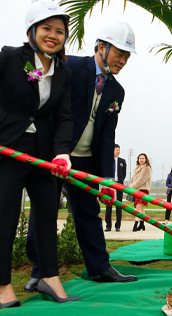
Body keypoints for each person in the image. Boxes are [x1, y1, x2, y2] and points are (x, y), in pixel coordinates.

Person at [0, 0, 81, 306]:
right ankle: (2, 284)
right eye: (46, 29)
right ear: (32, 30)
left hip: (43, 154)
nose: (53, 35)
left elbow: (65, 117)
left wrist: (63, 152)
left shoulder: (64, 73)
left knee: (47, 217)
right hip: (7, 148)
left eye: (60, 31)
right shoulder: (10, 57)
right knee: (6, 217)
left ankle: (50, 279)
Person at [24, 20, 138, 291]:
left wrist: (107, 179)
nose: (123, 60)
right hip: (54, 155)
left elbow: (107, 136)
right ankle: (39, 272)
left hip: (86, 161)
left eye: (127, 56)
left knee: (88, 212)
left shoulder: (116, 91)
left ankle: (99, 268)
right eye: (119, 53)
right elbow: (33, 75)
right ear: (101, 47)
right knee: (45, 211)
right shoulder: (72, 67)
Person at [105, 144, 127, 231]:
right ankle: (108, 225)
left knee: (119, 205)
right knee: (108, 205)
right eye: (116, 150)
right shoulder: (107, 160)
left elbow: (124, 173)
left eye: (119, 150)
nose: (118, 151)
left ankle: (118, 226)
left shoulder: (122, 161)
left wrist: (119, 181)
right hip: (109, 185)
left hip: (119, 185)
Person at [130, 153, 152, 231]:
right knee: (141, 207)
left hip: (143, 189)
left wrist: (132, 186)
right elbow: (133, 179)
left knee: (138, 207)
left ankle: (136, 224)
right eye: (140, 158)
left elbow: (141, 180)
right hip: (136, 189)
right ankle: (142, 224)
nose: (141, 160)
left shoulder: (146, 168)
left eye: (143, 158)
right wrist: (130, 187)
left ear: (146, 159)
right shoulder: (136, 168)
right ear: (138, 160)